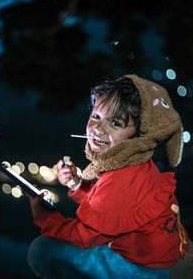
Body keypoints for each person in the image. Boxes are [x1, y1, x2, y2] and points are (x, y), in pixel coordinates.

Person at [26, 74, 189, 279]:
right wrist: (76, 183)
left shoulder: (121, 179)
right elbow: (106, 209)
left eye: (114, 123)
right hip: (160, 259)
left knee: (42, 249)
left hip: (143, 269)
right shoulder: (135, 164)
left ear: (139, 136)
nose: (97, 129)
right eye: (96, 116)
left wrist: (43, 216)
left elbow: (84, 236)